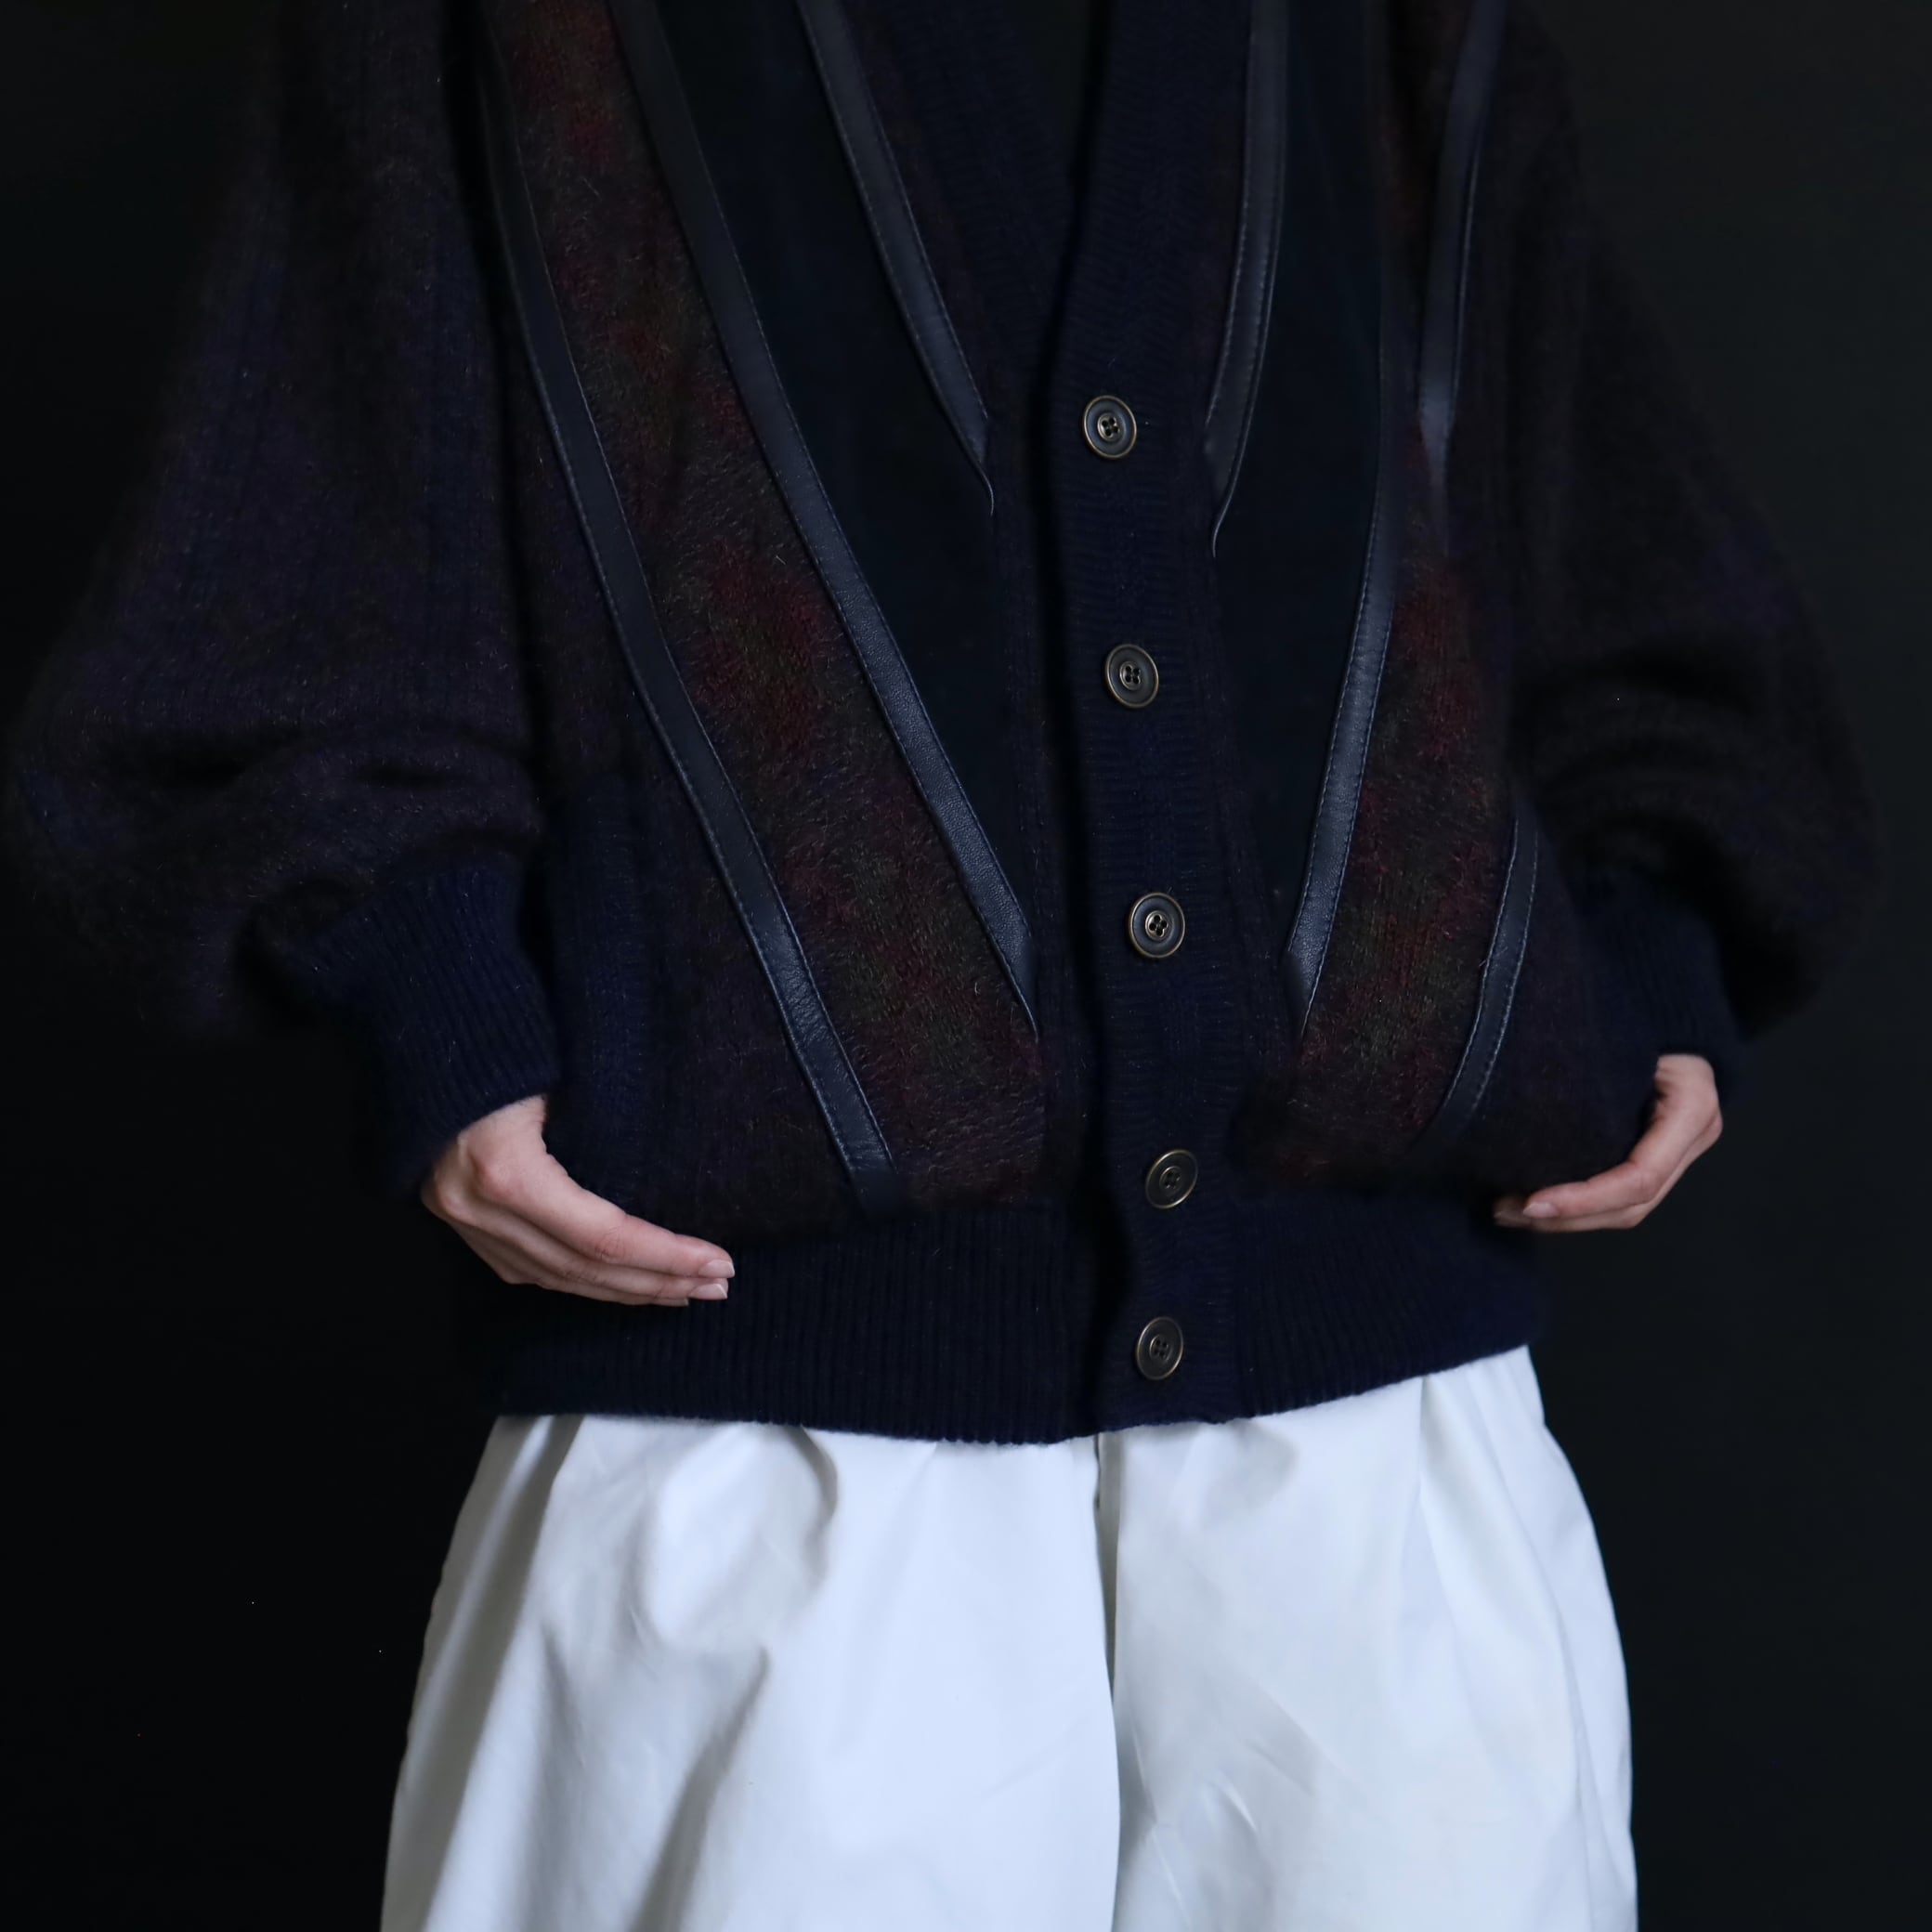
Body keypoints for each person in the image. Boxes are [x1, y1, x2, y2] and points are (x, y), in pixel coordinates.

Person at [4, 0, 1879, 1926]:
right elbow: (319, 509)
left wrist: (1655, 935)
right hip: (757, 1421)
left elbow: (1574, 483)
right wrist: (438, 1001)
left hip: (1378, 1429)